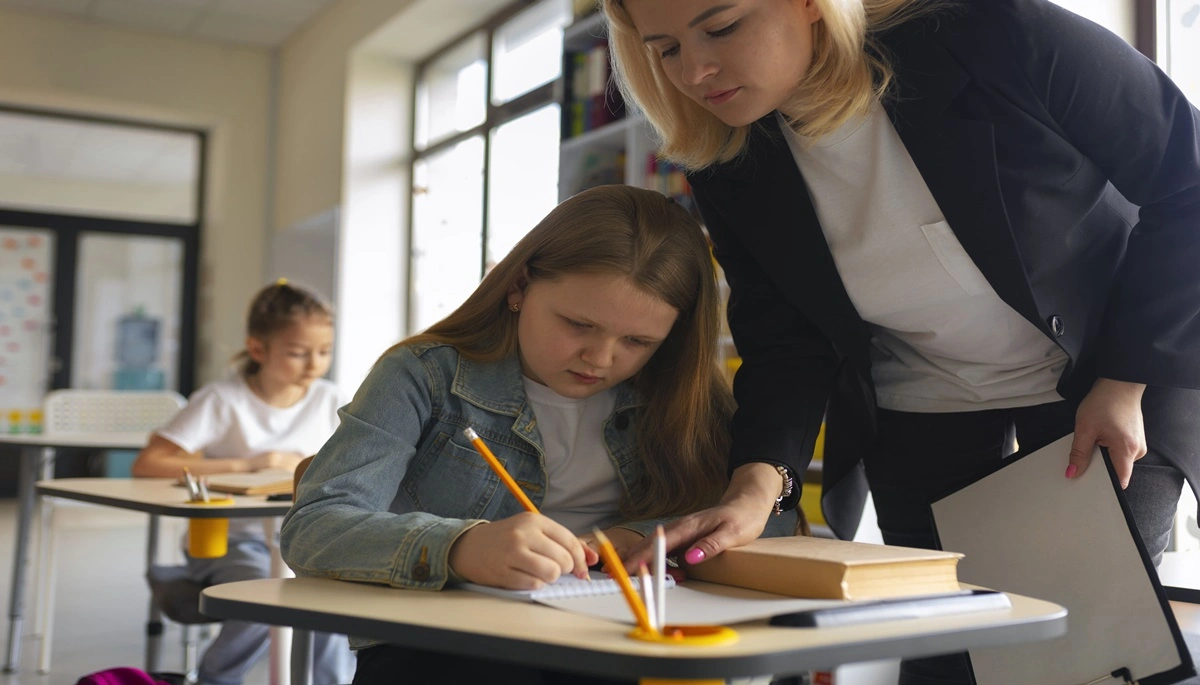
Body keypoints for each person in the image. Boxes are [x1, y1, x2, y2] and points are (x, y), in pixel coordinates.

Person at [603, 0, 1200, 682]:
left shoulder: (1001, 35)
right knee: (945, 664)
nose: (696, 69)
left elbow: (1188, 181)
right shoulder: (729, 158)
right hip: (921, 410)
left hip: (1106, 385)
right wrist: (754, 487)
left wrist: (1123, 380)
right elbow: (786, 339)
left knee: (1085, 661)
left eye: (722, 27)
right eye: (664, 49)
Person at [280, 185, 796, 685]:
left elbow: (769, 518)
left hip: (616, 636)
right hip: (446, 642)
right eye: (577, 324)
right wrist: (461, 547)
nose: (599, 358)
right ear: (519, 287)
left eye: (637, 341)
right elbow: (313, 528)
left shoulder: (682, 395)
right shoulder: (422, 375)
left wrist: (640, 537)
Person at [132, 280, 353, 685]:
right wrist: (251, 465)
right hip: (229, 542)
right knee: (263, 596)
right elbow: (150, 463)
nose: (313, 365)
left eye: (324, 352)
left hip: (304, 542)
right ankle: (214, 680)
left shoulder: (328, 399)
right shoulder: (221, 399)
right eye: (298, 353)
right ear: (258, 349)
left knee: (328, 604)